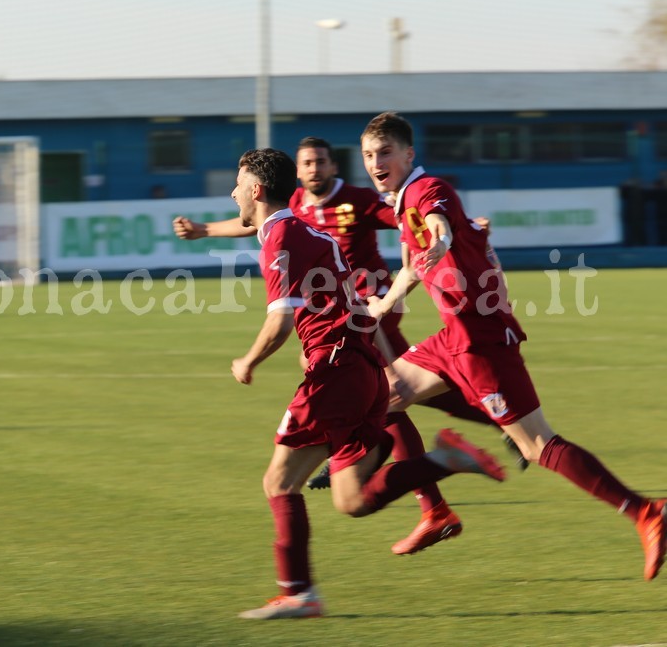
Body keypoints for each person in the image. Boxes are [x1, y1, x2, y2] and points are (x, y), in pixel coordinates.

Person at [360, 111, 666, 581]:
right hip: (453, 338)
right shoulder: (403, 203)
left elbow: (437, 224)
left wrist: (442, 239)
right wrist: (384, 305)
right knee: (381, 396)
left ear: (408, 155)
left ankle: (645, 512)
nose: (375, 162)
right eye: (367, 155)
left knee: (538, 443)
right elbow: (417, 263)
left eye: (385, 153)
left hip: (480, 342)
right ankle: (434, 511)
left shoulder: (425, 190)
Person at [174, 136, 507, 556]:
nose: (312, 169)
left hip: (366, 319)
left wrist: (461, 226)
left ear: (331, 166)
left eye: (319, 161)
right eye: (305, 163)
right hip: (352, 337)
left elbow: (408, 215)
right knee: (366, 460)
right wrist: (204, 230)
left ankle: (485, 428)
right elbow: (251, 221)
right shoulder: (293, 211)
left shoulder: (345, 203)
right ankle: (409, 461)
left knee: (393, 396)